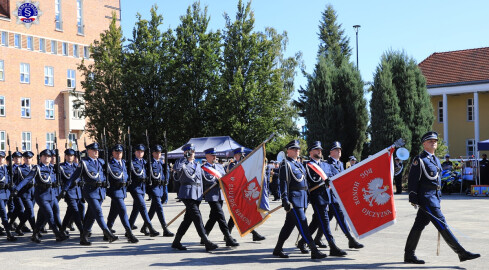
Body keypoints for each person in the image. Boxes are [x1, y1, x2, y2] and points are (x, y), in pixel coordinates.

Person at [404, 131, 480, 264]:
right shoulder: (420, 160)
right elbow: (413, 180)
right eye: (430, 141)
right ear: (424, 144)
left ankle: (409, 255)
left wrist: (438, 197)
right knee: (442, 225)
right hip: (426, 199)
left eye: (435, 141)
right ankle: (461, 253)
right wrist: (413, 197)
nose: (434, 142)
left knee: (418, 226)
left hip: (434, 198)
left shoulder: (435, 160)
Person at [273, 140, 326, 260]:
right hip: (293, 201)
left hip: (302, 199)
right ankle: (314, 250)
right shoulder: (285, 164)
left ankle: (277, 248)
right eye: (294, 149)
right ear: (288, 151)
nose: (297, 150)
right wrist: (285, 199)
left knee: (288, 226)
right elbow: (283, 183)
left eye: (298, 149)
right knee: (303, 224)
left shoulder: (299, 164)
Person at [59, 142, 118, 245]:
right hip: (90, 192)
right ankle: (108, 233)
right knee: (98, 212)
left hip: (100, 192)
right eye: (94, 150)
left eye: (97, 150)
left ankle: (84, 238)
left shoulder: (101, 162)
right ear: (88, 151)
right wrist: (65, 189)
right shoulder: (84, 163)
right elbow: (73, 177)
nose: (96, 152)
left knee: (92, 215)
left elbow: (105, 174)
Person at [296, 141, 347, 257]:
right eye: (316, 149)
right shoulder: (307, 165)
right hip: (317, 198)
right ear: (310, 152)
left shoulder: (325, 164)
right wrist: (324, 181)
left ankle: (302, 242)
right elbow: (312, 181)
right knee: (324, 222)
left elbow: (335, 176)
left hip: (327, 197)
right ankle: (332, 247)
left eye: (320, 149)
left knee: (316, 222)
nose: (319, 151)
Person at [313, 141, 363, 249]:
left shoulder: (341, 164)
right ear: (331, 152)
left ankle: (316, 238)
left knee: (325, 219)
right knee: (340, 217)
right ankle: (351, 239)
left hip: (338, 196)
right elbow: (328, 179)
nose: (339, 151)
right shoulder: (327, 164)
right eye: (336, 149)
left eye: (339, 149)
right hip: (331, 197)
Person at [14, 149, 69, 243]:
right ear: (41, 157)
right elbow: (27, 179)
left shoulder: (52, 168)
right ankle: (58, 235)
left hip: (51, 195)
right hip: (41, 196)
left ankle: (34, 235)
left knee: (41, 217)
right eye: (45, 156)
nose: (47, 158)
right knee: (49, 214)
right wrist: (16, 189)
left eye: (49, 156)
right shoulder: (37, 168)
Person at [171, 143, 218, 252]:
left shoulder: (197, 165)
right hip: (187, 194)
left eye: (193, 152)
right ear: (185, 152)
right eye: (189, 152)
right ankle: (206, 241)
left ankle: (176, 242)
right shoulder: (181, 162)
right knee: (197, 217)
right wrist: (184, 157)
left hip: (196, 195)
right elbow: (176, 169)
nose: (192, 154)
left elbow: (202, 180)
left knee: (188, 219)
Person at [201, 148, 239, 247]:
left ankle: (204, 235)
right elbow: (206, 181)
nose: (215, 157)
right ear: (207, 156)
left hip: (220, 195)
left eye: (215, 155)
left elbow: (225, 177)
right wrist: (215, 181)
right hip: (211, 195)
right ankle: (228, 237)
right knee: (221, 216)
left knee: (213, 217)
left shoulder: (219, 167)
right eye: (212, 155)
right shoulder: (203, 168)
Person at [226, 147, 266, 241]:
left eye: (242, 155)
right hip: (236, 193)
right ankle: (228, 234)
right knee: (236, 214)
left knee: (241, 214)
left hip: (244, 192)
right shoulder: (232, 164)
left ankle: (228, 234)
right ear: (236, 156)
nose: (242, 156)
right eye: (240, 155)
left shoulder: (245, 164)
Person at [105, 144, 138, 243]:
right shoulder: (109, 164)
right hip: (115, 191)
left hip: (122, 190)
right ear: (113, 153)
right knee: (123, 211)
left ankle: (107, 231)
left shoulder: (123, 163)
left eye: (120, 152)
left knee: (114, 211)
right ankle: (129, 234)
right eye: (116, 152)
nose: (118, 154)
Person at [128, 144, 159, 237]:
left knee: (136, 209)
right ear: (134, 152)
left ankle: (128, 228)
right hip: (135, 187)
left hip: (142, 187)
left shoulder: (145, 162)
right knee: (142, 206)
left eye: (142, 152)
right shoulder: (131, 162)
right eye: (138, 151)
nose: (140, 153)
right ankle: (150, 227)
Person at [142, 144, 174, 237]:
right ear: (152, 153)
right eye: (156, 153)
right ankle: (165, 228)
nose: (158, 154)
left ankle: (144, 227)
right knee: (159, 208)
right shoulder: (150, 163)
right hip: (153, 188)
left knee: (153, 209)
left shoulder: (161, 163)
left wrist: (164, 189)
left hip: (160, 187)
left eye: (159, 153)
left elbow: (164, 177)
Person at [59, 148, 85, 236]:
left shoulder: (76, 166)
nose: (70, 157)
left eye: (72, 156)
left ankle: (62, 229)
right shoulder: (61, 167)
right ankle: (82, 231)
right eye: (68, 156)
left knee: (69, 212)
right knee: (75, 211)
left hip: (77, 192)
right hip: (69, 192)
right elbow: (63, 180)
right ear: (65, 156)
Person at [13, 151, 36, 236]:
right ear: (24, 159)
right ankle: (35, 231)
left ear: (32, 159)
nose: (27, 159)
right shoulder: (19, 169)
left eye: (29, 158)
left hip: (33, 192)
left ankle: (19, 227)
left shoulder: (34, 167)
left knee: (28, 212)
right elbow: (15, 182)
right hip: (24, 193)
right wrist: (16, 190)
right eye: (26, 158)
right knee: (30, 211)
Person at [0, 151, 16, 241]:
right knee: (3, 213)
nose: (1, 159)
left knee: (5, 211)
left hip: (6, 193)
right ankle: (9, 234)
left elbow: (9, 178)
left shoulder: (6, 168)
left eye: (2, 157)